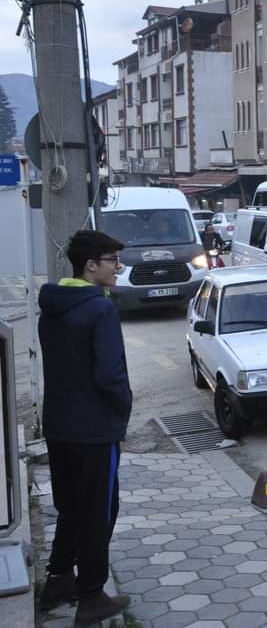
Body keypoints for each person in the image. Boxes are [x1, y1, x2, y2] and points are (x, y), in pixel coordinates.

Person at [37, 231, 132, 625]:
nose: (117, 267)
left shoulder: (52, 305)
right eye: (111, 260)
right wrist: (123, 408)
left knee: (72, 506)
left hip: (59, 425)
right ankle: (92, 595)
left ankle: (59, 580)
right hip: (94, 430)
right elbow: (110, 375)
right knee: (99, 510)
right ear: (90, 265)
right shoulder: (99, 309)